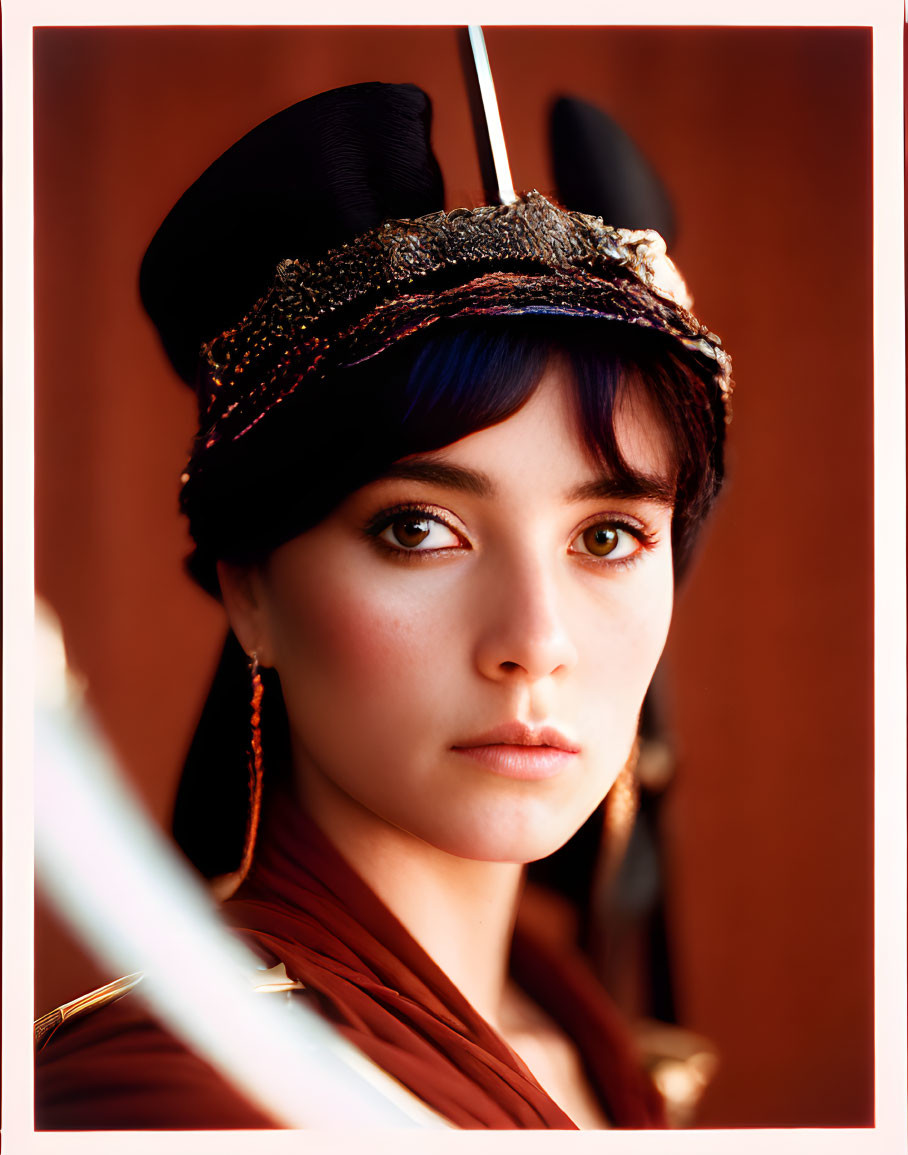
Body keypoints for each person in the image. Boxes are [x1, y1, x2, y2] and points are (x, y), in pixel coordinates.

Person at [35, 80, 731, 1130]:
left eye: (605, 537)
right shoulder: (173, 1100)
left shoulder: (576, 1030)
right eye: (416, 529)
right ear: (250, 588)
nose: (532, 643)